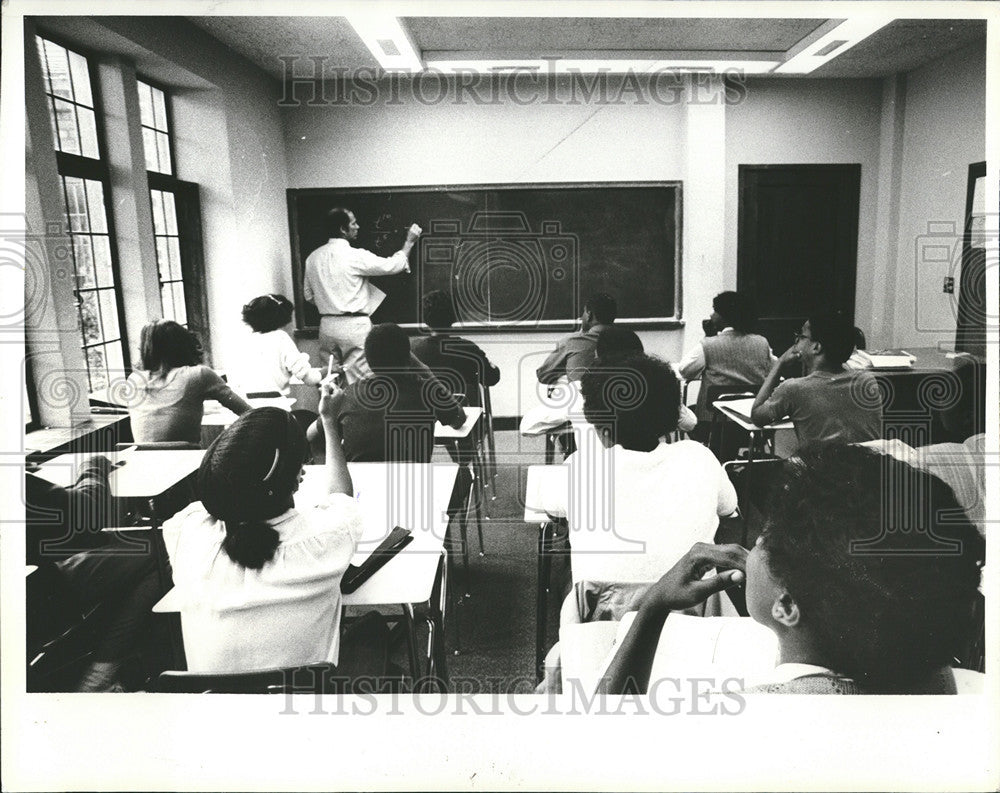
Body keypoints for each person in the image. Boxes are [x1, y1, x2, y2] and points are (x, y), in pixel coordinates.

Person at [601, 445, 984, 695]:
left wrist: (651, 608)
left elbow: (593, 747)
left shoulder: (728, 718)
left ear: (786, 604)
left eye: (765, 536)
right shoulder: (963, 686)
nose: (750, 546)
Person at [162, 397, 363, 672]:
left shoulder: (187, 536)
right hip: (305, 712)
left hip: (211, 710)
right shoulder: (327, 538)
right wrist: (328, 422)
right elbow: (341, 497)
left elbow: (205, 507)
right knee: (370, 630)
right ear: (299, 476)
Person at [540, 353, 738, 624]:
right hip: (694, 617)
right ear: (670, 415)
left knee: (568, 583)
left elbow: (551, 508)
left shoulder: (581, 466)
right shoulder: (699, 456)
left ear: (601, 427)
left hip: (604, 622)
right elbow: (729, 507)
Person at [25, 456, 162, 692]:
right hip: (29, 601)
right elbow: (87, 515)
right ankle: (99, 679)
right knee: (160, 550)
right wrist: (92, 465)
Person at [308, 322, 466, 464]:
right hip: (412, 491)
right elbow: (458, 419)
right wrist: (425, 370)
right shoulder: (426, 392)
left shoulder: (347, 395)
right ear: (408, 359)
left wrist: (330, 468)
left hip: (359, 493)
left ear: (369, 361)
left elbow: (311, 435)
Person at [303, 207, 421, 384]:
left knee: (329, 381)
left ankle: (329, 411)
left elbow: (309, 296)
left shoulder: (313, 257)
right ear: (343, 229)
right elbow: (392, 266)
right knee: (359, 381)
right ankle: (356, 412)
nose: (357, 227)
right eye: (353, 223)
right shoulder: (354, 256)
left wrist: (330, 302)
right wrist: (409, 243)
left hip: (326, 325)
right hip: (355, 326)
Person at [751, 313, 882, 448]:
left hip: (820, 468)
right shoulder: (866, 380)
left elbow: (756, 416)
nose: (796, 342)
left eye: (801, 336)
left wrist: (780, 363)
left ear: (816, 347)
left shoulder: (794, 388)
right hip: (867, 466)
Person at [126, 320, 251, 445]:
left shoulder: (134, 379)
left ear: (145, 348)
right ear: (185, 344)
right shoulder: (199, 374)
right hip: (185, 458)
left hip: (141, 458)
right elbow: (248, 412)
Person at [678, 290, 774, 425]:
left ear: (724, 316)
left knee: (692, 410)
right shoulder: (762, 342)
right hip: (751, 422)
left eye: (715, 310)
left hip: (714, 423)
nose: (711, 315)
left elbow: (685, 370)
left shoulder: (708, 345)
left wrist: (708, 337)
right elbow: (773, 370)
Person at [411, 290, 500, 407]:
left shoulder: (414, 350)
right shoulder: (468, 349)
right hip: (467, 418)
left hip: (429, 418)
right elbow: (492, 378)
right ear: (454, 316)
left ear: (424, 318)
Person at [235, 294, 323, 396]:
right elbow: (309, 379)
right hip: (274, 403)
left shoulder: (243, 340)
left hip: (244, 403)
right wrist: (326, 371)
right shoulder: (281, 338)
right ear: (282, 318)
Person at [536, 293, 617, 384]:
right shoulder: (630, 339)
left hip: (586, 396)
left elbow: (543, 375)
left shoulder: (573, 341)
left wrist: (566, 369)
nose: (581, 317)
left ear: (589, 315)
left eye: (584, 312)